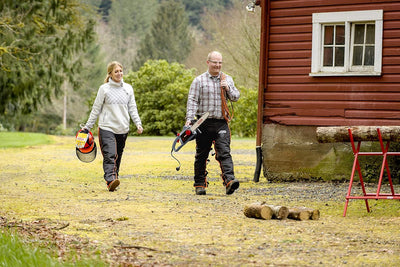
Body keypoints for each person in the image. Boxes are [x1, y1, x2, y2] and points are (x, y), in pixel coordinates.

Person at [82, 61, 143, 192]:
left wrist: (138, 123)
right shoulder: (104, 89)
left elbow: (132, 108)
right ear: (110, 74)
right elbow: (96, 109)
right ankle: (110, 180)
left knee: (118, 156)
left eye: (120, 71)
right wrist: (88, 127)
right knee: (110, 154)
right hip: (106, 127)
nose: (119, 73)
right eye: (116, 71)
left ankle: (114, 177)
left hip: (123, 128)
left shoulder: (128, 89)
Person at [185, 51, 240, 195]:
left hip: (221, 122)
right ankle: (199, 184)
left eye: (220, 62)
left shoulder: (227, 79)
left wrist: (227, 88)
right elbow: (192, 101)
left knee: (224, 152)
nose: (218, 65)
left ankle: (229, 181)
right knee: (201, 154)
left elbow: (236, 97)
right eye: (215, 62)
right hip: (203, 122)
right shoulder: (199, 81)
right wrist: (189, 120)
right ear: (208, 62)